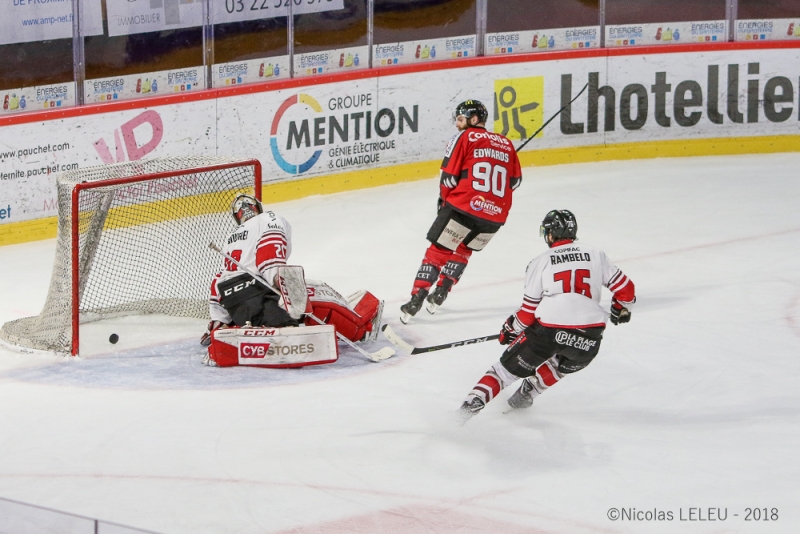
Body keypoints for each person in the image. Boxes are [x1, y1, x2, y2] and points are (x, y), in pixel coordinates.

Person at [458, 210, 636, 422]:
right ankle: (529, 392)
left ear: (551, 234)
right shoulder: (596, 254)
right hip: (590, 336)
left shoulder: (540, 261)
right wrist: (622, 307)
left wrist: (511, 329)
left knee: (502, 373)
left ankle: (466, 410)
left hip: (548, 331)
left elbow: (527, 314)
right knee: (562, 364)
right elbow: (627, 290)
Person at [201, 193, 383, 347]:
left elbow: (219, 279)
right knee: (314, 296)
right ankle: (360, 330)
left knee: (285, 306)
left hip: (233, 302)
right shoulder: (268, 219)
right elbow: (269, 254)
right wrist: (279, 279)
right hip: (261, 295)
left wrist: (219, 320)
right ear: (258, 208)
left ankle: (248, 328)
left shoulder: (231, 238)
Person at [400, 100, 523, 323]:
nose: (457, 124)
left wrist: (445, 204)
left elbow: (448, 177)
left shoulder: (464, 136)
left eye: (460, 119)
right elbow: (515, 182)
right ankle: (441, 292)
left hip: (464, 206)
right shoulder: (506, 143)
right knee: (464, 250)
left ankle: (416, 299)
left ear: (473, 119)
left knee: (439, 251)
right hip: (495, 217)